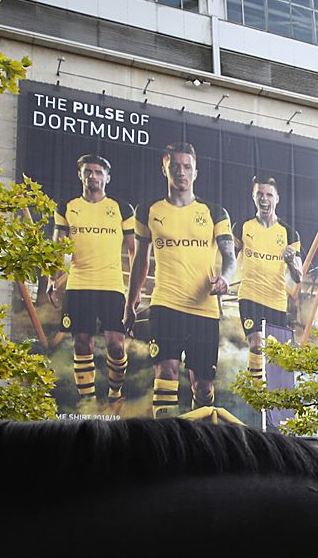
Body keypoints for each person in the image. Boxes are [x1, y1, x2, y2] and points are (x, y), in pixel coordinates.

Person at [128, 142, 234, 419]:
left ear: (195, 172)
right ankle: (165, 447)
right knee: (165, 372)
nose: (181, 172)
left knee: (202, 385)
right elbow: (141, 259)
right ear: (165, 170)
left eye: (187, 166)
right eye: (174, 166)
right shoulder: (148, 211)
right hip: (165, 304)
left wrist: (225, 278)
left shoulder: (215, 212)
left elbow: (229, 257)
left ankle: (201, 440)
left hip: (204, 309)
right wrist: (131, 300)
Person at [48, 154, 135, 408]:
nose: (93, 176)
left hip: (111, 285)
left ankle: (115, 393)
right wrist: (53, 279)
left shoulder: (121, 208)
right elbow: (58, 247)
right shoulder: (67, 206)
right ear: (80, 175)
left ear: (107, 177)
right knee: (82, 342)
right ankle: (87, 401)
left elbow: (134, 251)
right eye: (88, 172)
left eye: (98, 172)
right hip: (79, 283)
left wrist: (135, 289)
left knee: (116, 345)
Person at [235, 176, 299, 385]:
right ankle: (256, 393)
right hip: (250, 296)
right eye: (259, 194)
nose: (264, 199)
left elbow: (298, 277)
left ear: (277, 198)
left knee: (276, 355)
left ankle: (272, 399)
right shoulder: (243, 227)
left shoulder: (289, 233)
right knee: (257, 344)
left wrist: (290, 261)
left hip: (276, 302)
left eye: (269, 194)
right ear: (253, 197)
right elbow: (227, 259)